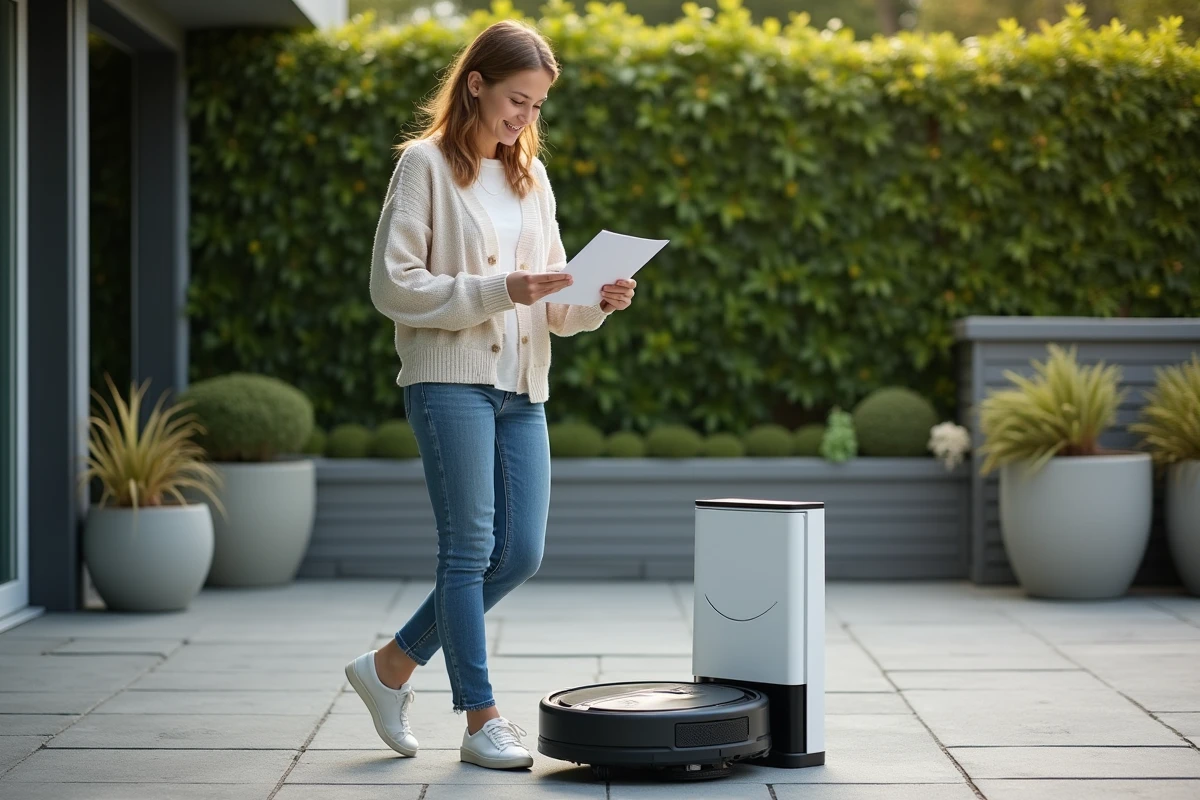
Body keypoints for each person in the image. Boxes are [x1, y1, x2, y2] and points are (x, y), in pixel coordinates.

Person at [343, 19, 636, 771]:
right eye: (516, 100)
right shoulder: (423, 166)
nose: (525, 118)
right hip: (450, 383)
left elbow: (555, 306)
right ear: (476, 84)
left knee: (521, 553)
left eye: (537, 105)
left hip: (521, 390)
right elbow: (393, 287)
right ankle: (481, 719)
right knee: (469, 550)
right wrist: (500, 288)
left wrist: (597, 299)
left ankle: (389, 668)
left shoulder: (531, 178)